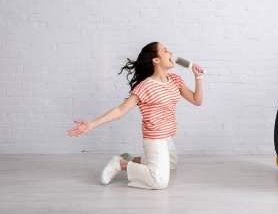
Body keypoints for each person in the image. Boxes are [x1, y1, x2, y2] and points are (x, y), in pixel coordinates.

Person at [67, 42, 204, 189]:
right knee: (160, 181)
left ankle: (131, 159)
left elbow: (197, 101)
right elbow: (120, 110)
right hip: (154, 137)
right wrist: (91, 124)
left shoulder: (175, 80)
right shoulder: (145, 86)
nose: (171, 52)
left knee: (171, 164)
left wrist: (198, 77)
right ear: (156, 60)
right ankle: (120, 164)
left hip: (168, 136)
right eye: (165, 51)